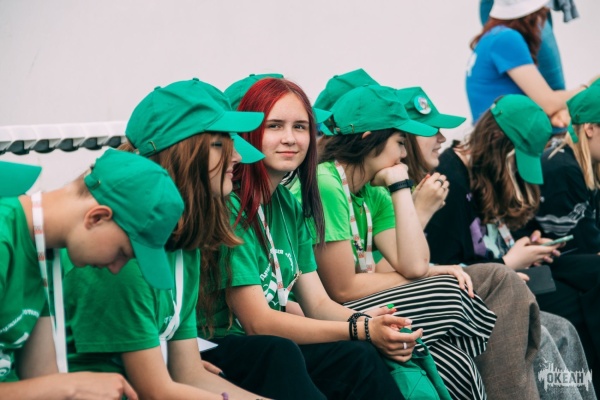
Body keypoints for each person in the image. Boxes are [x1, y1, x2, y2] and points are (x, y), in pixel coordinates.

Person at [199, 77, 416, 400]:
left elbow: (317, 303)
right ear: (248, 134)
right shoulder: (231, 205)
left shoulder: (288, 204)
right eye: (274, 126)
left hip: (267, 347)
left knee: (358, 356)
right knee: (281, 352)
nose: (290, 138)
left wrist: (373, 326)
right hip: (219, 347)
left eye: (300, 127)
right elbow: (258, 322)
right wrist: (360, 329)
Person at [62, 78, 270, 400]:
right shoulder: (123, 253)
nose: (238, 156)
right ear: (182, 152)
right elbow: (158, 391)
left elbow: (190, 375)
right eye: (220, 143)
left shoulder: (185, 244)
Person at [399, 86, 597, 399]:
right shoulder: (448, 182)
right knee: (557, 329)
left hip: (505, 279)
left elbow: (489, 238)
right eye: (516, 161)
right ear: (498, 145)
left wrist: (522, 246)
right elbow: (441, 265)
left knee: (572, 316)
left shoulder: (477, 174)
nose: (441, 138)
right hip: (478, 295)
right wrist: (508, 262)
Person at [307, 83, 498, 400]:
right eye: (399, 143)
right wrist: (428, 274)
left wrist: (399, 189)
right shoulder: (327, 182)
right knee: (450, 293)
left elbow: (413, 264)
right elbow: (341, 289)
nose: (404, 154)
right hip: (326, 314)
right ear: (369, 139)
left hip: (359, 302)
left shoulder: (372, 189)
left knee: (457, 365)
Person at [0, 149, 185, 399]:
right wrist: (73, 386)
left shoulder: (44, 252)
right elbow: (53, 387)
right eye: (122, 253)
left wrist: (69, 389)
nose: (116, 268)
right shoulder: (5, 236)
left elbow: (40, 376)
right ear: (97, 217)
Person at [531, 83, 600, 389]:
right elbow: (584, 246)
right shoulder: (563, 167)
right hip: (544, 262)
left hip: (564, 258)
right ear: (590, 129)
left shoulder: (586, 164)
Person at [466, 0, 588, 126]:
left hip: (493, 132)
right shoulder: (507, 39)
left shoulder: (493, 35)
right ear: (534, 15)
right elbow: (549, 104)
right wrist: (588, 89)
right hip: (504, 134)